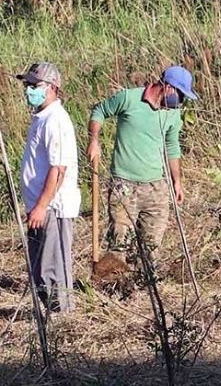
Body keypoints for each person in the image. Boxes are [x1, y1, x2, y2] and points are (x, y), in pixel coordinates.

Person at [87, 65, 198, 266]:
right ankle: (115, 286)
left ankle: (144, 289)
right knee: (119, 243)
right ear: (168, 87)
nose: (180, 102)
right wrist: (94, 140)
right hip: (124, 186)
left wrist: (177, 181)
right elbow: (99, 111)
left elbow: (172, 147)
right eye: (180, 96)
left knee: (151, 247)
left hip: (156, 187)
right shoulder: (129, 99)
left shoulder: (172, 113)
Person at [17, 62, 80, 312]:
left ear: (52, 88)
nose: (29, 90)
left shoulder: (56, 121)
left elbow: (59, 169)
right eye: (27, 85)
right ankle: (51, 315)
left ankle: (62, 318)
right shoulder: (41, 118)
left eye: (35, 85)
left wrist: (42, 206)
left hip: (52, 207)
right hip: (40, 207)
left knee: (53, 269)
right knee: (40, 268)